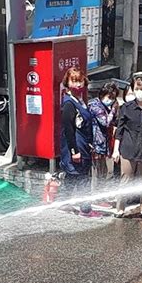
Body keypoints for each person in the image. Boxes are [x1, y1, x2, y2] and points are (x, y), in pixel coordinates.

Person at [112, 74, 142, 221]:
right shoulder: (126, 108)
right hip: (128, 149)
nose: (140, 91)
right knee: (125, 178)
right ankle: (120, 208)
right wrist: (116, 149)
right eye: (137, 88)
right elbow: (119, 131)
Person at [60, 67, 98, 217]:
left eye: (80, 81)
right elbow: (68, 130)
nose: (77, 85)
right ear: (67, 83)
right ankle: (85, 209)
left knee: (75, 178)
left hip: (83, 145)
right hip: (75, 147)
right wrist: (74, 151)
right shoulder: (69, 103)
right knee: (80, 179)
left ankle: (66, 204)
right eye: (74, 81)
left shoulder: (80, 100)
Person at [88, 82, 119, 189]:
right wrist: (114, 109)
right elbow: (105, 122)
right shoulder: (95, 105)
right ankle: (96, 197)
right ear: (102, 95)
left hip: (105, 145)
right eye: (109, 97)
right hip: (96, 145)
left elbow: (114, 122)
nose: (111, 100)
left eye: (113, 98)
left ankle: (101, 196)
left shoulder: (107, 107)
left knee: (104, 172)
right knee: (97, 173)